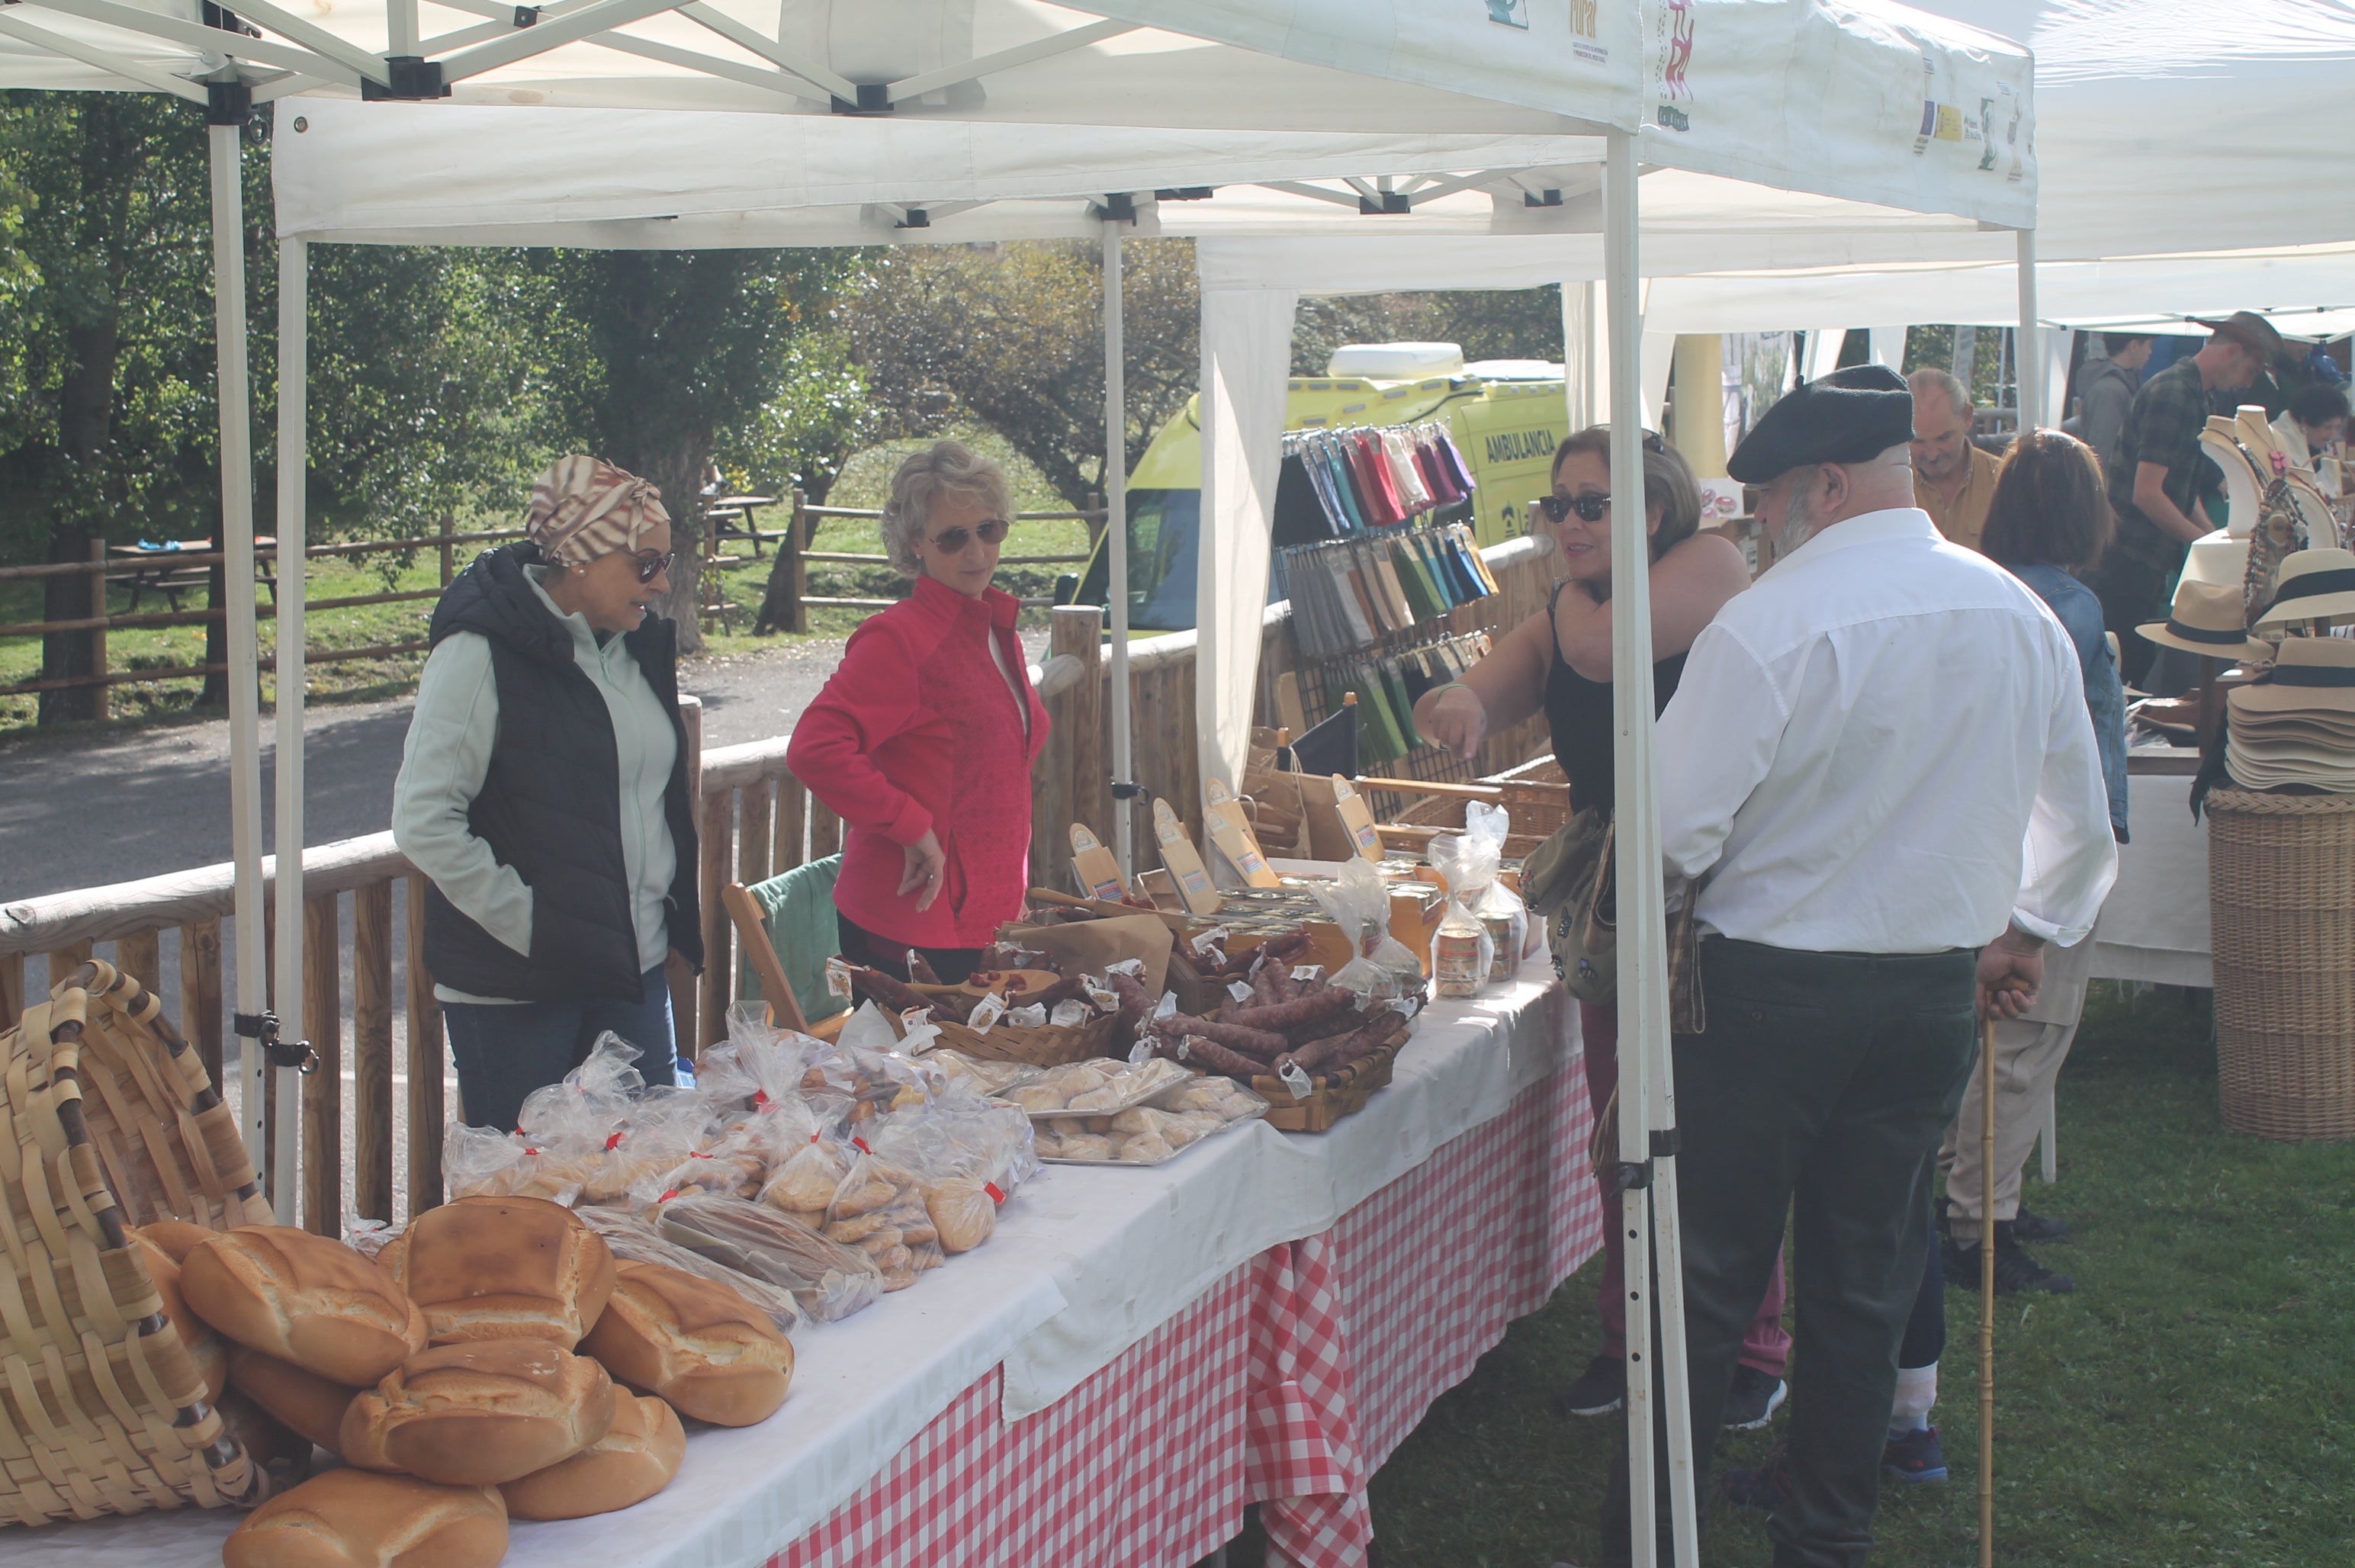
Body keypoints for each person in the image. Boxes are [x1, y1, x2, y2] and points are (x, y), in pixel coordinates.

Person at [1598, 365, 2118, 1566]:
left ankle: (1652, 1545)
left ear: (1825, 486)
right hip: (1925, 991)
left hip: (1769, 994)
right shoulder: (2015, 612)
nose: (1763, 521)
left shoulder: (1774, 621)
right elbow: (2078, 822)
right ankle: (1826, 1541)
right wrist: (2025, 929)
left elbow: (1670, 832)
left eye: (1774, 496)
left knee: (1702, 1285)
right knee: (1865, 1278)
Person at [1412, 428, 1778, 1428]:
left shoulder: (1706, 564)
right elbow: (1517, 669)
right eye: (1556, 504)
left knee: (1718, 1129)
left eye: (1590, 504)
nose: (1566, 522)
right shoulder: (1581, 593)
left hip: (1713, 893)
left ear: (1650, 510)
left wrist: (1562, 606)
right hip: (1616, 891)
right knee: (1620, 1126)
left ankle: (1752, 1345)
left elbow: (1585, 649)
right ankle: (1636, 1342)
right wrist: (1468, 699)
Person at [394, 455, 701, 1134]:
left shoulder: (633, 644)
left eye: (667, 560)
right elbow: (424, 820)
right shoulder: (480, 650)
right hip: (518, 989)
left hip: (634, 969)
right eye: (646, 563)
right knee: (536, 1206)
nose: (664, 581)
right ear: (586, 556)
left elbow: (649, 800)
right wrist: (535, 926)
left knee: (649, 1183)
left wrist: (668, 914)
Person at [1938, 430, 2129, 1299]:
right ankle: (1979, 1223)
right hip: (2044, 852)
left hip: (1989, 835)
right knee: (2023, 1037)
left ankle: (1982, 1200)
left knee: (1994, 1042)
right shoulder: (2070, 608)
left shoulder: (1983, 592)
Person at [786, 440, 1048, 985]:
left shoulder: (998, 628)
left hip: (991, 916)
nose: (976, 551)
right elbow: (815, 748)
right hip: (912, 920)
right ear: (915, 544)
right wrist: (910, 826)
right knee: (913, 1075)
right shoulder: (899, 639)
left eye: (989, 529)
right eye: (954, 537)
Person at [2089, 310, 2283, 688]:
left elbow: (2180, 485)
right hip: (2126, 560)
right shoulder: (2175, 393)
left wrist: (2214, 538)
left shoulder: (2195, 395)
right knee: (2126, 674)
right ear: (2233, 352)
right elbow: (2147, 494)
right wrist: (2204, 544)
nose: (2246, 383)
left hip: (2142, 560)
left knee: (2134, 669)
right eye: (2251, 370)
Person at [1908, 367, 2003, 553]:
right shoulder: (1885, 490)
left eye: (1943, 438)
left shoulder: (2003, 481)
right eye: (1918, 441)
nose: (1932, 454)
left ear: (1967, 418)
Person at [2064, 332, 2154, 477]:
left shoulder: (2119, 384)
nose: (2151, 352)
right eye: (2150, 345)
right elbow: (2103, 447)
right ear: (2134, 346)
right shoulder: (2110, 390)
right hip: (2107, 485)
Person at [2272, 382, 2349, 472]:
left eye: (2337, 427)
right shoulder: (2276, 443)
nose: (2333, 434)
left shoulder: (2319, 446)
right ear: (2305, 421)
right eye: (2328, 427)